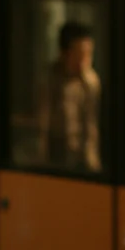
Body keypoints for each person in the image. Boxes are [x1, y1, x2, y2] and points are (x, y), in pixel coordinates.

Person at [40, 20, 101, 171]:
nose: (85, 61)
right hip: (57, 160)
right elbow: (43, 122)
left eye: (88, 54)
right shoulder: (51, 79)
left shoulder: (91, 82)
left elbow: (91, 125)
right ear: (65, 54)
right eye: (80, 55)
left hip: (84, 160)